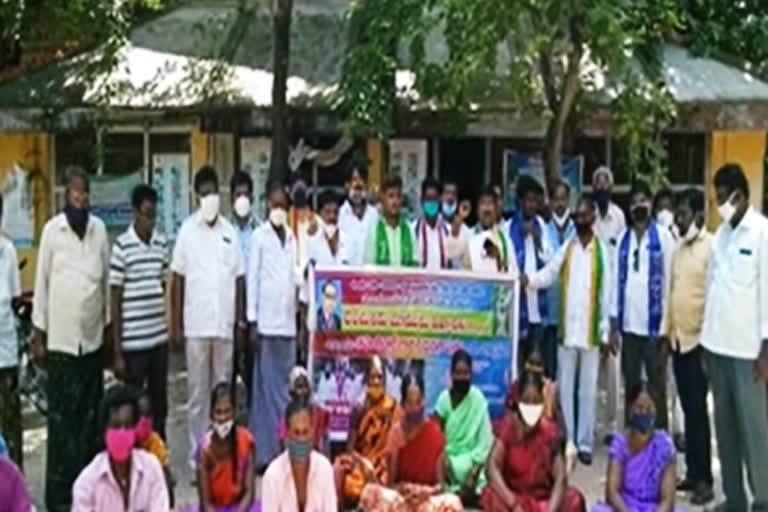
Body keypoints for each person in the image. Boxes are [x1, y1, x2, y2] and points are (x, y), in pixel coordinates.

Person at [32, 167, 110, 512]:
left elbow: (106, 284)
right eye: (76, 195)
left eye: (86, 195)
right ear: (67, 196)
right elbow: (42, 284)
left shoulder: (99, 232)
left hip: (91, 345)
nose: (81, 201)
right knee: (62, 427)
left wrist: (108, 333)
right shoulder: (52, 232)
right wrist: (38, 333)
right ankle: (60, 502)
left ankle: (89, 497)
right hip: (61, 346)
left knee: (90, 424)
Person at [521, 195, 611, 466]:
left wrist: (606, 330)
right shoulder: (568, 247)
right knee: (566, 386)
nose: (581, 221)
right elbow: (549, 272)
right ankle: (570, 440)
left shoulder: (602, 251)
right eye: (577, 217)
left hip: (591, 331)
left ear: (593, 218)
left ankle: (585, 443)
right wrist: (529, 281)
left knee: (587, 389)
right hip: (568, 330)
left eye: (585, 216)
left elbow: (606, 293)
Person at [701, 163, 768, 511]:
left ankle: (763, 498)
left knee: (755, 430)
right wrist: (705, 345)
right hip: (717, 348)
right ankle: (734, 498)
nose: (720, 204)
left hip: (748, 354)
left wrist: (766, 350)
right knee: (724, 431)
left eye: (724, 197)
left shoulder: (762, 234)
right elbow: (713, 291)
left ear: (741, 195)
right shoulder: (721, 236)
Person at [170, 165, 247, 468]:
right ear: (196, 196)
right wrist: (174, 323)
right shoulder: (187, 231)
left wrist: (240, 321)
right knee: (197, 394)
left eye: (213, 192)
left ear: (220, 194)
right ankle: (198, 456)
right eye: (203, 193)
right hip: (196, 327)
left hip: (225, 326)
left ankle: (224, 453)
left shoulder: (230, 232)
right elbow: (177, 279)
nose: (209, 198)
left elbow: (239, 279)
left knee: (223, 390)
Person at [662, 188, 714, 505]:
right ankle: (693, 473)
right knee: (686, 408)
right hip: (678, 340)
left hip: (699, 343)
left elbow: (711, 298)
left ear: (697, 215)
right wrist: (665, 335)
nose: (677, 219)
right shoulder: (678, 248)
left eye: (682, 213)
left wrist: (708, 344)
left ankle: (705, 479)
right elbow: (671, 292)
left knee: (697, 414)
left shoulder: (711, 248)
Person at [611, 181, 674, 430]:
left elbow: (670, 281)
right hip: (629, 327)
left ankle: (660, 440)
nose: (639, 206)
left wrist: (667, 328)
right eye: (634, 202)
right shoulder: (623, 239)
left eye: (643, 201)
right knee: (632, 386)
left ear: (651, 204)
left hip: (655, 328)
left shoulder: (664, 238)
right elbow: (616, 281)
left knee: (657, 387)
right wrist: (613, 322)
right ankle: (634, 439)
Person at [110, 185, 170, 439]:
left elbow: (164, 285)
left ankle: (159, 456)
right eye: (146, 214)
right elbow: (115, 298)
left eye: (153, 215)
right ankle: (132, 452)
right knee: (134, 405)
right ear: (135, 212)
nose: (150, 221)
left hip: (158, 340)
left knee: (159, 404)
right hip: (133, 344)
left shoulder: (161, 243)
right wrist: (117, 352)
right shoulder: (122, 247)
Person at [247, 182, 299, 470]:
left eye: (284, 206)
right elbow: (253, 277)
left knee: (287, 390)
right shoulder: (259, 237)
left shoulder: (292, 237)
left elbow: (296, 276)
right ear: (267, 205)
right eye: (275, 205)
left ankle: (287, 448)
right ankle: (266, 453)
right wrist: (252, 321)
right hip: (266, 325)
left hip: (288, 325)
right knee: (266, 392)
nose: (279, 210)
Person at [482, 369, 586, 512]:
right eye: (526, 401)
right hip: (515, 500)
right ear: (518, 401)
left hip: (544, 501)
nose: (531, 406)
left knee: (574, 499)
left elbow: (560, 479)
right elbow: (492, 467)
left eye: (535, 401)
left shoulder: (550, 432)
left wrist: (550, 509)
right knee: (490, 495)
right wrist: (514, 504)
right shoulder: (507, 428)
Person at [360, 373, 463, 512]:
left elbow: (440, 486)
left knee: (453, 501)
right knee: (371, 492)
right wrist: (406, 490)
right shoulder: (395, 434)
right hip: (401, 501)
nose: (414, 408)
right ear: (402, 403)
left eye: (418, 402)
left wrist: (426, 492)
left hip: (427, 503)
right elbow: (391, 484)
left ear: (424, 401)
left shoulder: (434, 433)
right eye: (409, 402)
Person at [72, 385, 169, 512]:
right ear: (104, 430)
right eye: (116, 426)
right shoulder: (87, 484)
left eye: (127, 426)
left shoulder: (151, 468)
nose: (122, 433)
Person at [591, 384, 679, 512]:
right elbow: (612, 493)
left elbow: (667, 499)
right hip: (624, 507)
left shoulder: (664, 446)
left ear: (656, 411)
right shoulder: (620, 444)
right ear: (630, 410)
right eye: (639, 408)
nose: (644, 413)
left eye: (649, 409)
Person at [334, 356, 401, 509]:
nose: (376, 381)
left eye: (380, 377)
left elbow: (396, 446)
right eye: (372, 377)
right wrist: (364, 463)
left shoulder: (393, 407)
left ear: (385, 380)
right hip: (363, 465)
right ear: (366, 379)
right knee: (351, 487)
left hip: (384, 464)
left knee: (387, 485)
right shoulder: (358, 408)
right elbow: (350, 448)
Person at [434, 349, 493, 507]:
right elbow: (435, 439)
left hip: (473, 465)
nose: (462, 377)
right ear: (451, 374)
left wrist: (473, 471)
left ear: (471, 375)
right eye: (458, 373)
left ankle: (468, 495)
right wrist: (444, 459)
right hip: (449, 465)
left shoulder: (478, 399)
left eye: (466, 373)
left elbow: (485, 442)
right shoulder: (443, 400)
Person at [591, 166, 624, 443]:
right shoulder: (587, 217)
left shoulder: (619, 218)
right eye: (597, 182)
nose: (602, 187)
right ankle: (589, 425)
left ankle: (611, 426)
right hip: (590, 302)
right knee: (591, 370)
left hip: (612, 305)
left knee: (613, 372)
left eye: (606, 182)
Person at [187, 382, 257, 512]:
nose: (223, 418)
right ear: (211, 415)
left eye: (227, 411)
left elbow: (249, 493)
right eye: (218, 412)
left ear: (234, 412)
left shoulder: (246, 440)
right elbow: (205, 503)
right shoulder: (204, 449)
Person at [508, 176, 552, 375]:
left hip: (537, 310)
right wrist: (519, 278)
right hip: (517, 310)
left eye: (535, 201)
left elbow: (551, 262)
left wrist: (538, 240)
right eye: (528, 200)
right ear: (520, 202)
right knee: (517, 367)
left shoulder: (542, 226)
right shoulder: (508, 227)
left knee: (535, 368)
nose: (532, 205)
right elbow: (506, 263)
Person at [262, 398, 337, 511]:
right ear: (287, 433)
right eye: (296, 432)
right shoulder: (273, 475)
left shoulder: (324, 468)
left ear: (312, 431)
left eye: (305, 432)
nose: (301, 439)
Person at [230, 170, 259, 406]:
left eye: (246, 195)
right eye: (238, 194)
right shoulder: (224, 231)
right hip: (228, 311)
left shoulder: (260, 230)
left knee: (252, 372)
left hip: (253, 311)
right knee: (227, 373)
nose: (242, 199)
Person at [542, 181, 575, 381]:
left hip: (572, 316)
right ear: (550, 202)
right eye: (556, 199)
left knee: (569, 375)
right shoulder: (543, 230)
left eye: (564, 199)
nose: (560, 203)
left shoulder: (577, 230)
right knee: (551, 373)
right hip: (550, 315)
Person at [0, 194, 22, 468]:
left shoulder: (8, 251)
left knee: (10, 425)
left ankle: (14, 486)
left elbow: (16, 299)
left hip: (6, 352)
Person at [301, 190, 348, 307]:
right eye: (327, 212)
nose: (332, 217)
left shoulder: (346, 239)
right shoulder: (311, 240)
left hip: (342, 306)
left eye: (335, 212)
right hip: (318, 305)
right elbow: (304, 282)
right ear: (319, 214)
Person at [364, 175, 419, 266]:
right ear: (382, 198)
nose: (395, 201)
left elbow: (416, 263)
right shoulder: (374, 230)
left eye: (398, 196)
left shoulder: (409, 229)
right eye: (391, 196)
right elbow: (368, 267)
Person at [465, 186, 519, 277]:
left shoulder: (505, 240)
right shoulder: (468, 236)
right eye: (483, 203)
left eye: (490, 203)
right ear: (477, 210)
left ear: (496, 209)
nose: (487, 208)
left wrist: (498, 259)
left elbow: (514, 276)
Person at [135, 390, 175, 505]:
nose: (144, 421)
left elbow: (165, 474)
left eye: (147, 415)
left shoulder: (155, 441)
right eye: (140, 416)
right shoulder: (128, 445)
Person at [277, 366, 329, 452]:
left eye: (305, 386)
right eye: (299, 387)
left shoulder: (319, 413)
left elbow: (324, 443)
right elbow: (284, 445)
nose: (303, 391)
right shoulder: (286, 415)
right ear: (292, 390)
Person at [339, 164, 378, 266]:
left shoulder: (375, 215)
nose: (359, 184)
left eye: (362, 179)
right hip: (347, 277)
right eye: (354, 179)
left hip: (370, 277)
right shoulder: (340, 215)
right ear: (347, 185)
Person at [414, 177, 450, 270]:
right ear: (422, 200)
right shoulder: (414, 230)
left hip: (443, 283)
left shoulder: (447, 231)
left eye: (434, 199)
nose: (431, 203)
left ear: (440, 200)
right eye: (428, 199)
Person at [441, 180, 472, 269]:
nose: (450, 197)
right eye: (447, 193)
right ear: (440, 197)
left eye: (453, 194)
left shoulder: (466, 231)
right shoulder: (434, 226)